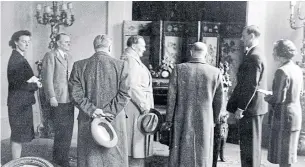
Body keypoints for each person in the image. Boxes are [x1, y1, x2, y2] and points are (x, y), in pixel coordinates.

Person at [69, 35, 131, 167]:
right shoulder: (121, 65)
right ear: (109, 47)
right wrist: (107, 112)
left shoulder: (79, 65)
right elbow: (125, 93)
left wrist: (93, 111)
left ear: (94, 47)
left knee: (90, 158)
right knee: (114, 156)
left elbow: (75, 94)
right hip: (114, 118)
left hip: (88, 118)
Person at [163, 42, 224, 167]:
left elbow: (171, 97)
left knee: (181, 151)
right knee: (203, 150)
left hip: (182, 117)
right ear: (206, 54)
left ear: (191, 52)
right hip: (205, 118)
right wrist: (216, 120)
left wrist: (169, 119)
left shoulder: (178, 69)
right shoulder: (215, 72)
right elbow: (219, 101)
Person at [226, 25, 267, 167]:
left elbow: (250, 86)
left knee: (249, 147)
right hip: (254, 108)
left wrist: (241, 108)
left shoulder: (254, 56)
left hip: (250, 109)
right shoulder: (256, 53)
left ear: (252, 36)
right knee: (250, 146)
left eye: (244, 36)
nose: (241, 38)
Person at [265, 39, 303, 167]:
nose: (273, 53)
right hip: (295, 115)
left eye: (274, 50)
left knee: (283, 157)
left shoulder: (281, 71)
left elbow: (278, 98)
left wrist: (267, 97)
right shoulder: (297, 69)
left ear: (279, 52)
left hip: (283, 117)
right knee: (288, 156)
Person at [7, 30, 42, 160]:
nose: (27, 44)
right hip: (18, 103)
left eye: (28, 42)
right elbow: (17, 85)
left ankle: (16, 162)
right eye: (23, 41)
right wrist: (35, 85)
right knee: (17, 136)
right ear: (16, 42)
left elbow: (24, 79)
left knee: (19, 136)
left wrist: (34, 80)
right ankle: (15, 163)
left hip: (21, 103)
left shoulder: (19, 58)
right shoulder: (16, 59)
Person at [121, 35, 154, 167]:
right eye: (143, 45)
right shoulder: (130, 60)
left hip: (134, 107)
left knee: (136, 146)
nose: (145, 48)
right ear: (134, 46)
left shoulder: (132, 59)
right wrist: (144, 106)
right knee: (135, 147)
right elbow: (132, 86)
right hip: (135, 107)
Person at [42, 33, 74, 167]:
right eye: (66, 42)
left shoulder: (69, 57)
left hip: (69, 98)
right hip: (58, 98)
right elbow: (47, 78)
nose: (69, 44)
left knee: (68, 129)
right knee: (61, 130)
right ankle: (60, 159)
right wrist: (52, 96)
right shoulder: (50, 55)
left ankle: (62, 156)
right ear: (58, 43)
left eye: (69, 42)